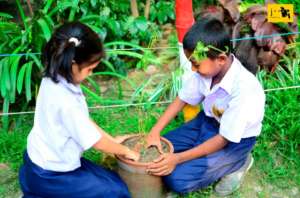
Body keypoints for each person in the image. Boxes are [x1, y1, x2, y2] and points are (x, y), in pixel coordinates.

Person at [146, 17, 265, 196]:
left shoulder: (244, 90)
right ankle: (195, 151)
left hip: (234, 142)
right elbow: (182, 98)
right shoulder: (206, 71)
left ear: (221, 59)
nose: (193, 70)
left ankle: (240, 162)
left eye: (196, 64)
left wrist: (177, 159)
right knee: (160, 148)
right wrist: (155, 131)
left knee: (176, 179)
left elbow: (224, 139)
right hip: (207, 121)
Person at [19, 22, 139, 198]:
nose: (91, 74)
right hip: (50, 173)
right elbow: (96, 142)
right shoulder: (66, 101)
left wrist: (113, 141)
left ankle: (37, 187)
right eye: (90, 69)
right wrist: (126, 151)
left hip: (41, 158)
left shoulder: (54, 76)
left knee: (112, 180)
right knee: (117, 192)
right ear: (73, 64)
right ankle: (40, 190)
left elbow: (85, 124)